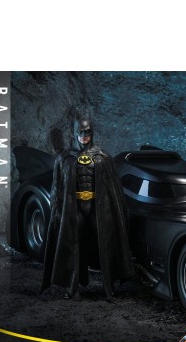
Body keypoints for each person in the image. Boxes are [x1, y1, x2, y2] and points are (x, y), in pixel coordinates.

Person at [42, 117, 134, 299]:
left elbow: (114, 189)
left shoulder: (103, 158)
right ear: (74, 132)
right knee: (72, 245)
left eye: (87, 131)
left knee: (106, 244)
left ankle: (109, 286)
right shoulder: (65, 158)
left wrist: (119, 213)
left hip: (98, 208)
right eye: (80, 131)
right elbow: (56, 189)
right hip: (74, 208)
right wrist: (57, 211)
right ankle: (71, 287)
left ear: (92, 132)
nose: (84, 135)